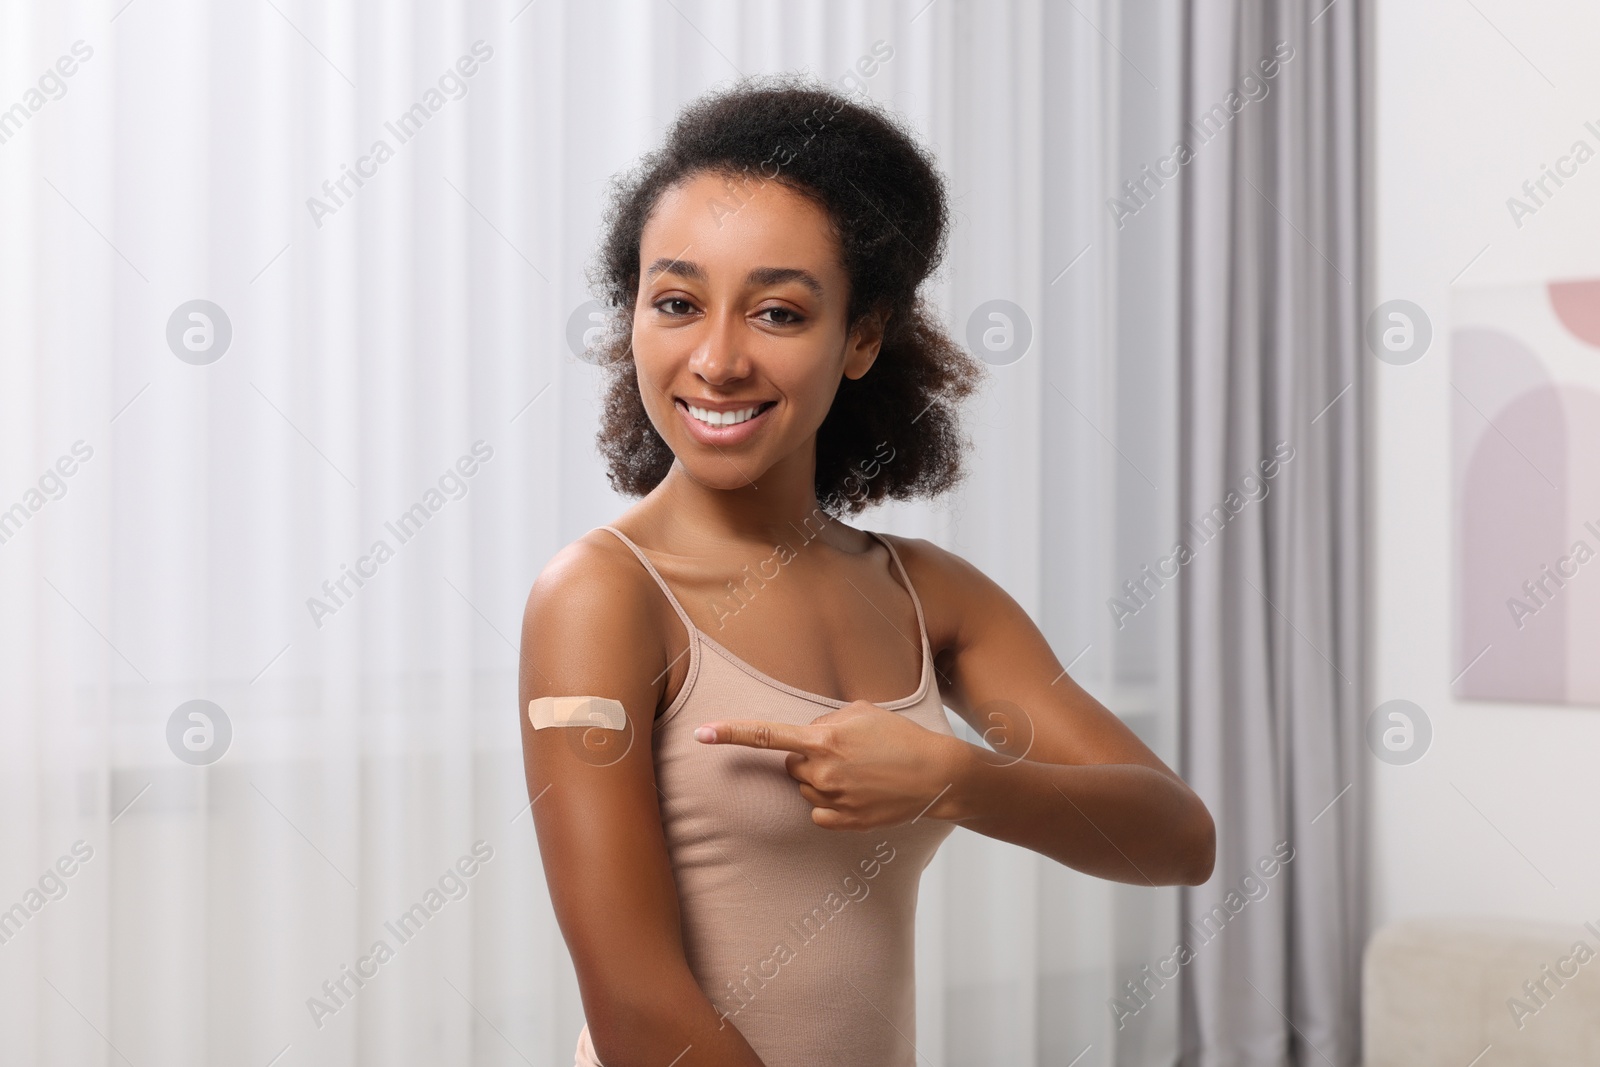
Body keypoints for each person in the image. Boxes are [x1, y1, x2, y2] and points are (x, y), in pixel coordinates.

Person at [517, 74, 1215, 1067]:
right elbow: (637, 1007)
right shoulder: (601, 596)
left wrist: (957, 780)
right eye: (675, 301)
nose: (714, 359)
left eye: (778, 313)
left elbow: (1176, 837)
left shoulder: (931, 597)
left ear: (862, 337)